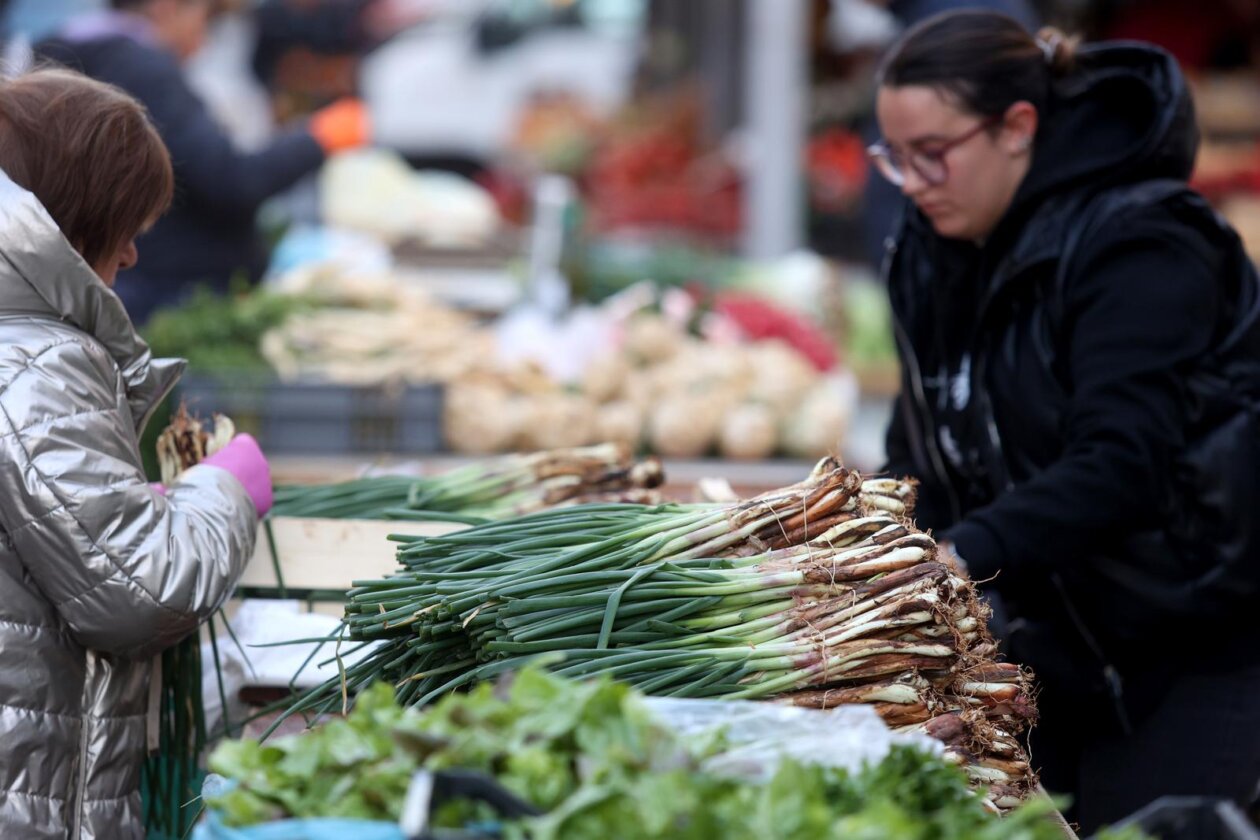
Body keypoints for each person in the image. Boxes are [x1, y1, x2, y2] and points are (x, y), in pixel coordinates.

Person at [871, 10, 1260, 831]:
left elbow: (1122, 460)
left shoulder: (1142, 242)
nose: (910, 181)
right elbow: (922, 447)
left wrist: (960, 552)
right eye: (893, 157)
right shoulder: (934, 246)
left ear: (1017, 127)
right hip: (1050, 658)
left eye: (931, 154)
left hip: (1192, 652)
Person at [0, 68, 273, 838]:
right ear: (73, 223)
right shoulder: (40, 361)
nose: (130, 256)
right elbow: (137, 591)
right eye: (127, 229)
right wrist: (221, 491)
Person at [37, 0, 370, 325]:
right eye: (204, 17)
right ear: (166, 6)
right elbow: (230, 180)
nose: (205, 40)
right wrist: (318, 138)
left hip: (110, 292)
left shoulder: (62, 57)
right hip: (161, 298)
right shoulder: (143, 69)